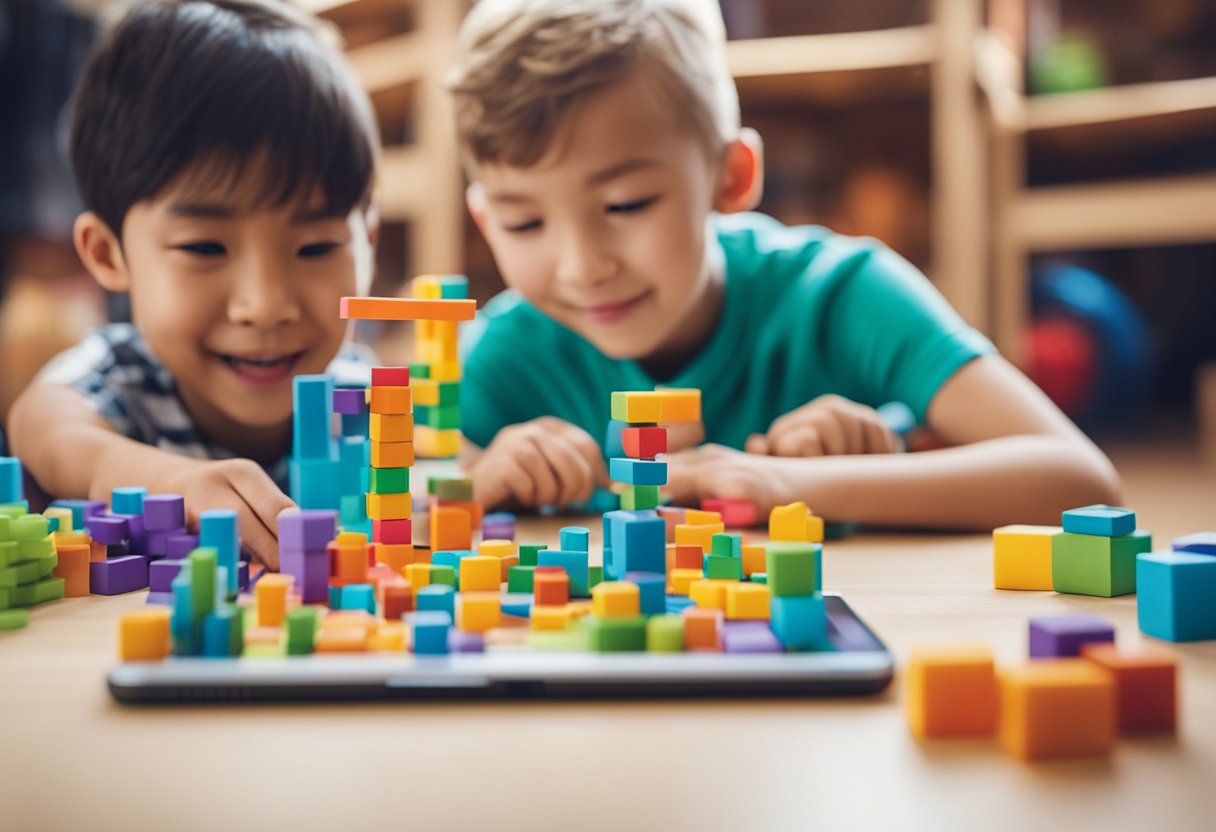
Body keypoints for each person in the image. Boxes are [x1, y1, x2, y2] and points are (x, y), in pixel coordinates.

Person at [448, 0, 1121, 528]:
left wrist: (792, 485)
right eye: (524, 222)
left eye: (626, 204)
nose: (581, 266)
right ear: (484, 221)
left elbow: (1078, 478)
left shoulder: (839, 294)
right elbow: (398, 498)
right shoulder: (509, 348)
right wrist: (478, 479)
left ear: (731, 177)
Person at [5, 0, 381, 566]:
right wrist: (168, 480)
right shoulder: (121, 381)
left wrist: (496, 469)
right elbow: (41, 425)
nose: (266, 305)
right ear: (109, 255)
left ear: (367, 242)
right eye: (205, 247)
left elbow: (446, 469)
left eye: (317, 247)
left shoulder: (366, 398)